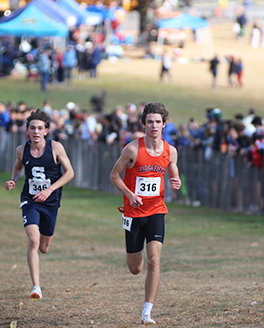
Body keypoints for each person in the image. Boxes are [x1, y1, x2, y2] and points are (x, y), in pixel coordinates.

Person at [109, 102, 181, 325]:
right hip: (133, 212)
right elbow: (114, 176)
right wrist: (130, 195)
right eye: (150, 122)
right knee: (135, 268)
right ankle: (131, 249)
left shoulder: (170, 151)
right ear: (144, 124)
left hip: (156, 210)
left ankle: (147, 312)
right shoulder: (132, 149)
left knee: (154, 260)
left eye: (158, 122)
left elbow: (173, 171)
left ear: (164, 124)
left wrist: (174, 180)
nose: (154, 125)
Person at [5, 109, 74, 299]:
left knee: (44, 247)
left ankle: (38, 273)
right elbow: (18, 167)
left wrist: (50, 190)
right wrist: (14, 180)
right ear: (27, 130)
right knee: (33, 240)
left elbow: (69, 173)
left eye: (40, 128)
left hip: (51, 203)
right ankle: (36, 287)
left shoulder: (56, 148)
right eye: (32, 128)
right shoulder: (22, 150)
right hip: (30, 200)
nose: (36, 132)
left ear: (46, 130)